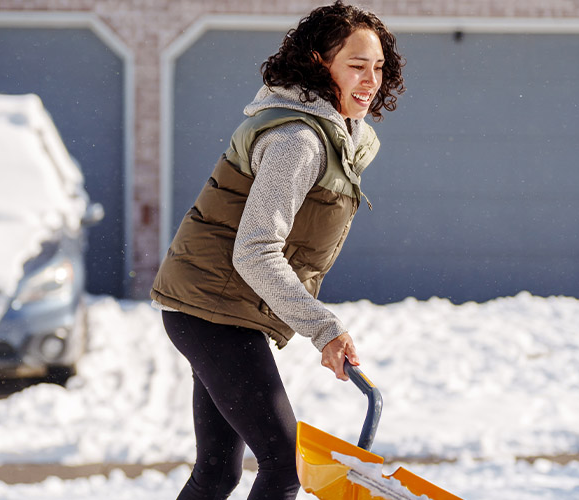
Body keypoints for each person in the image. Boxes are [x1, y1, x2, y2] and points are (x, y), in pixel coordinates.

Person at [150, 2, 405, 499]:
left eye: (378, 66)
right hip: (211, 310)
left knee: (220, 470)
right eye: (356, 65)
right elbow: (255, 250)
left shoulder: (339, 137)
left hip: (221, 308)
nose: (371, 79)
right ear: (318, 64)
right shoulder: (298, 140)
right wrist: (324, 329)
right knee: (284, 466)